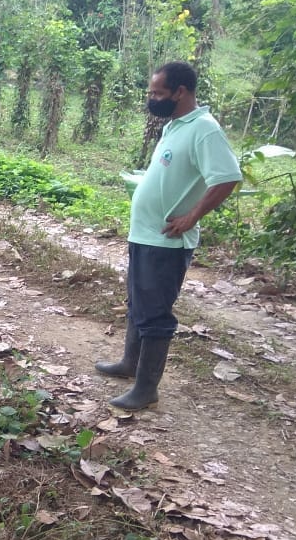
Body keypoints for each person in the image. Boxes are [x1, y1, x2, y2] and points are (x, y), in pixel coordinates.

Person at [96, 61, 241, 410]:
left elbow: (227, 177)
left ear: (180, 92)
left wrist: (192, 216)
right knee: (138, 304)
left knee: (155, 313)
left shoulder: (204, 129)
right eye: (151, 92)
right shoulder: (174, 125)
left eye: (158, 93)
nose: (152, 98)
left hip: (166, 242)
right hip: (145, 235)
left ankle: (146, 389)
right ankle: (130, 363)